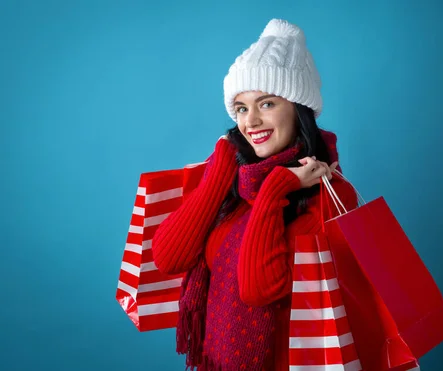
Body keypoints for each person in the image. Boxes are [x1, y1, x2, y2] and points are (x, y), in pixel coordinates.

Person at [152, 18, 358, 371]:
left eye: (266, 104)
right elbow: (169, 257)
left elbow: (259, 290)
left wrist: (277, 187)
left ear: (299, 108)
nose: (250, 123)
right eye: (242, 109)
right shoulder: (238, 182)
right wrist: (220, 168)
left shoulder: (330, 192)